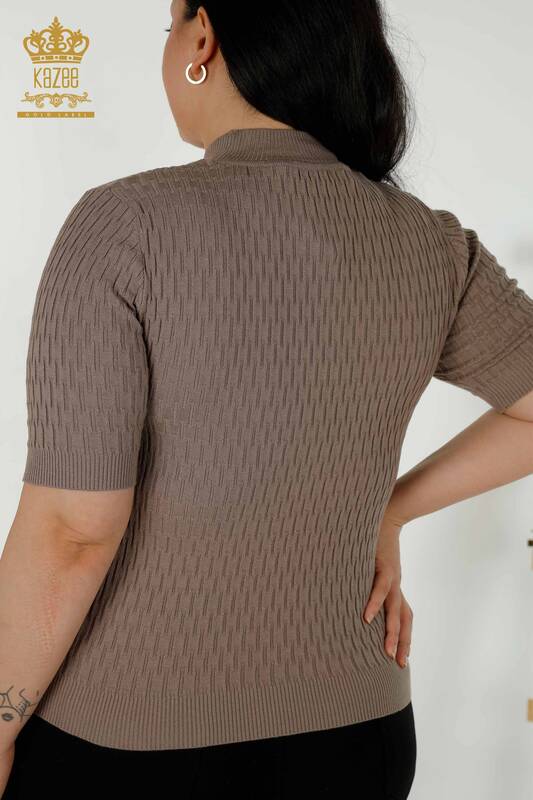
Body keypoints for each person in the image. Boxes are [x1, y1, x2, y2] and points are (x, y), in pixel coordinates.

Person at [2, 1, 533, 798]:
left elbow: (74, 529)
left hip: (129, 747)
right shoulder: (430, 240)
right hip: (358, 737)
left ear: (202, 37)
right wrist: (389, 511)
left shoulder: (124, 224)